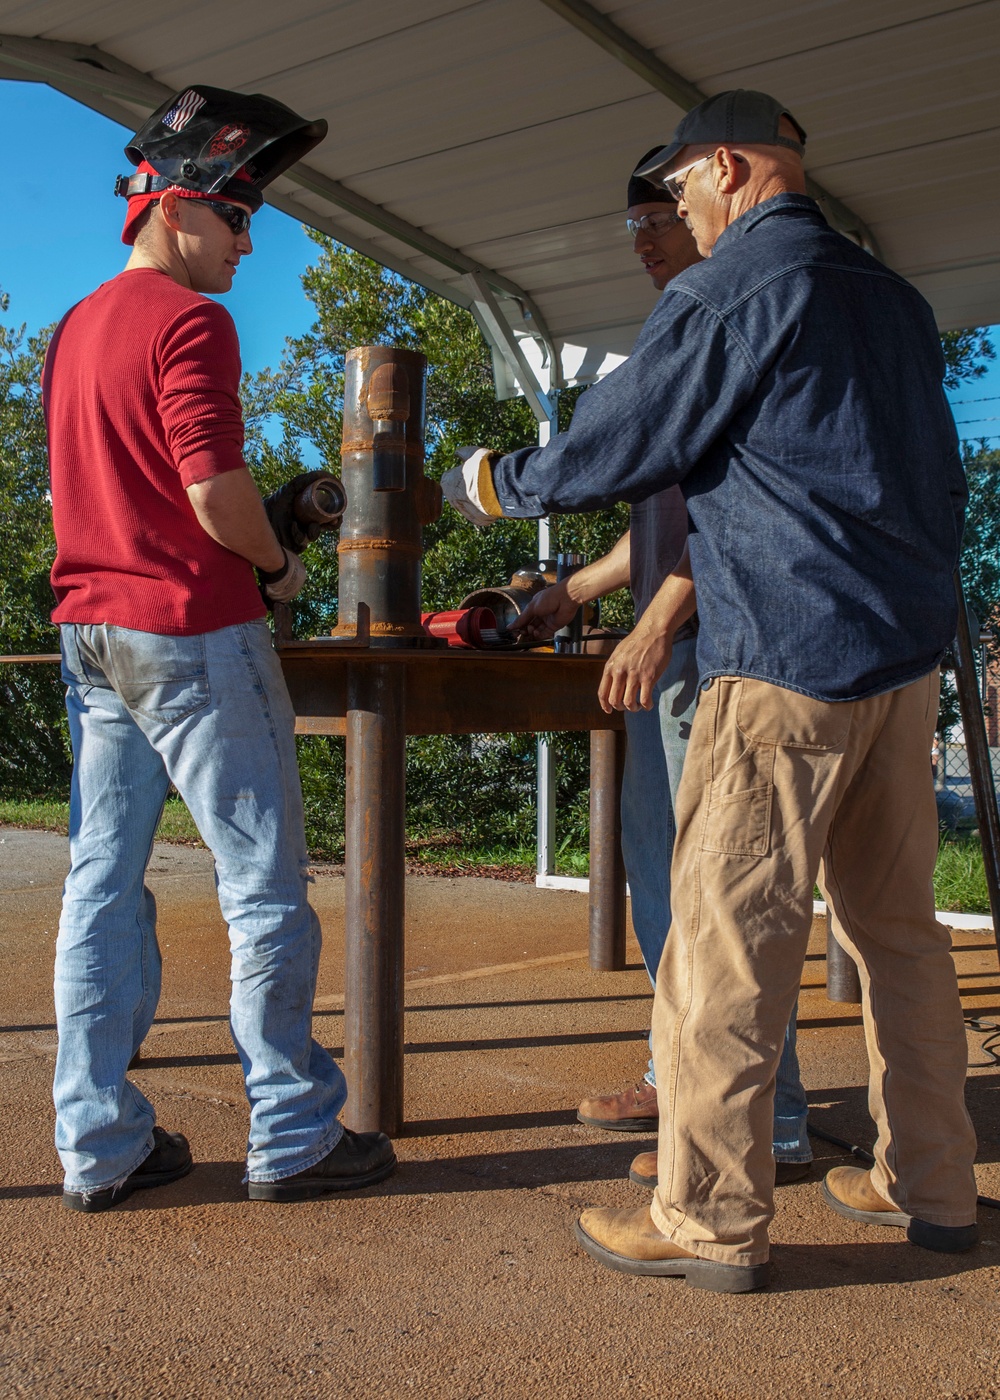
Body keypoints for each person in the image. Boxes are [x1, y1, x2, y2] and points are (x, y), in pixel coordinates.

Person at [443, 89, 978, 1291]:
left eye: (680, 187)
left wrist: (495, 481)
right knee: (900, 939)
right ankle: (931, 1184)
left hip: (782, 662)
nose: (676, 211)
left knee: (726, 947)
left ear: (729, 167)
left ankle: (708, 1217)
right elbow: (943, 485)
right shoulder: (894, 300)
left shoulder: (729, 284)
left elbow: (620, 447)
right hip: (900, 667)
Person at [44, 85, 396, 1213]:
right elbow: (211, 487)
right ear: (177, 206)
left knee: (101, 884)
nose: (251, 240)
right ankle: (292, 1130)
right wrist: (279, 570)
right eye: (238, 215)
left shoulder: (76, 327)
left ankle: (96, 1140)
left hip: (90, 631)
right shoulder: (191, 321)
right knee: (263, 890)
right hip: (191, 630)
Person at [513, 153, 812, 1186]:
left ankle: (768, 1117)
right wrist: (581, 594)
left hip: (716, 651)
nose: (645, 234)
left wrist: (652, 623)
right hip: (667, 649)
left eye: (661, 212)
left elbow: (724, 529)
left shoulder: (725, 327)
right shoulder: (678, 338)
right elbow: (658, 529)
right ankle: (673, 1066)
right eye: (632, 220)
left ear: (706, 209)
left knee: (722, 893)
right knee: (660, 876)